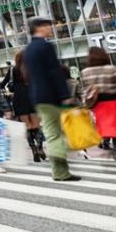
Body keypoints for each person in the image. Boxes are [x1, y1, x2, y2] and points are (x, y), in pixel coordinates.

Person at [24, 17, 79, 181]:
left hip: (38, 97)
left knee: (52, 132)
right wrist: (65, 95)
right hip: (52, 96)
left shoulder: (28, 49)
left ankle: (60, 171)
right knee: (57, 134)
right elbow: (55, 72)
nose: (51, 29)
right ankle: (60, 166)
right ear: (39, 28)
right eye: (48, 26)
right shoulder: (46, 46)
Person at [3, 50, 44, 162]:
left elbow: (2, 84)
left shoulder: (12, 69)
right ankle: (40, 147)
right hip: (33, 97)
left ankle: (34, 149)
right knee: (37, 125)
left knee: (27, 127)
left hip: (19, 99)